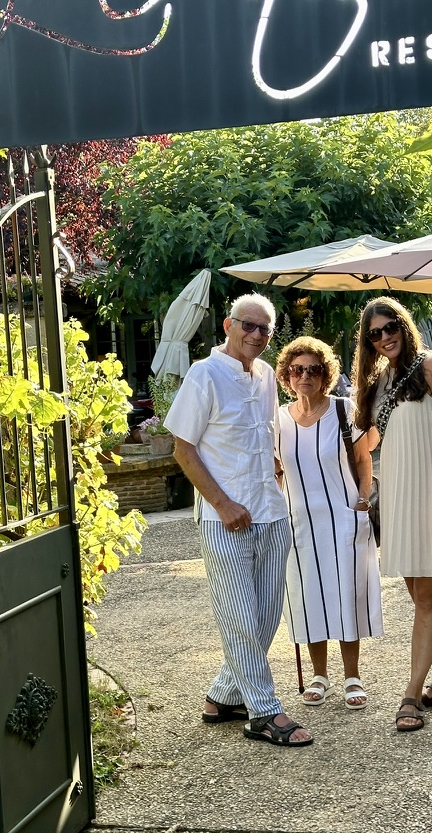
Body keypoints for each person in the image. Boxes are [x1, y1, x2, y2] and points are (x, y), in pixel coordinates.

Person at [164, 293, 312, 748]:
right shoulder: (203, 375)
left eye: (264, 329)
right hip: (225, 519)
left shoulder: (267, 376)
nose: (256, 335)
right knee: (241, 619)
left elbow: (261, 436)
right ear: (228, 325)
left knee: (265, 619)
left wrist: (274, 465)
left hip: (270, 512)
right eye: (248, 325)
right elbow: (182, 450)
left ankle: (222, 696)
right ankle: (263, 713)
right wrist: (222, 503)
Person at [351, 297, 432, 732]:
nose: (384, 337)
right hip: (398, 497)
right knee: (423, 596)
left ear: (404, 325)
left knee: (425, 597)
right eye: (374, 334)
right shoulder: (382, 379)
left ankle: (412, 694)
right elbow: (371, 441)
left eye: (390, 327)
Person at [275, 337, 383, 709]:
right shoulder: (278, 420)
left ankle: (352, 675)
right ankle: (319, 676)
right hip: (297, 523)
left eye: (314, 370)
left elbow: (363, 459)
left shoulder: (344, 410)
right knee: (307, 599)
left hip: (342, 517)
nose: (305, 376)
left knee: (345, 595)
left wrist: (363, 501)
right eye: (297, 369)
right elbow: (275, 470)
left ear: (325, 376)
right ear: (287, 376)